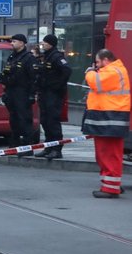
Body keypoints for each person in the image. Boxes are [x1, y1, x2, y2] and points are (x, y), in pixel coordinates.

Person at [81, 49, 129, 198]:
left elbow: (97, 83)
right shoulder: (113, 70)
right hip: (108, 118)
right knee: (105, 154)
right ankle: (110, 185)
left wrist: (89, 72)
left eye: (97, 62)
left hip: (110, 118)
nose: (96, 65)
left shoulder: (113, 71)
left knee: (109, 154)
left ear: (106, 60)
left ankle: (111, 189)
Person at [35, 34, 71, 159]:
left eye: (45, 42)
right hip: (45, 93)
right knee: (45, 121)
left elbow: (66, 70)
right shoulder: (47, 56)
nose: (43, 44)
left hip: (53, 94)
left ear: (50, 44)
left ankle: (57, 149)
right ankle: (48, 147)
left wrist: (58, 86)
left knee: (53, 121)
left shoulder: (56, 56)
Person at [0, 33, 37, 151]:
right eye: (12, 41)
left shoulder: (28, 58)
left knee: (24, 120)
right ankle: (14, 144)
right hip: (11, 92)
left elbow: (34, 78)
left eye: (14, 41)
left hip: (23, 93)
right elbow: (6, 72)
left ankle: (27, 146)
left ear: (22, 43)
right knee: (13, 119)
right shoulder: (12, 57)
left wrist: (32, 94)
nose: (12, 43)